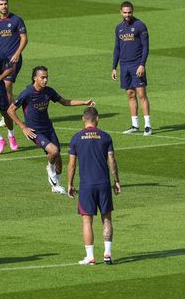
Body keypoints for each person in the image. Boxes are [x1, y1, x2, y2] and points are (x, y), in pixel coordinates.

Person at [7, 66, 95, 194]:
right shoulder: (27, 93)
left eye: (46, 77)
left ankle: (55, 185)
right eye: (42, 77)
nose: (45, 80)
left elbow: (64, 102)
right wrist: (23, 127)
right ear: (35, 78)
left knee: (58, 159)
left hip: (48, 128)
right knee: (53, 152)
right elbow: (10, 110)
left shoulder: (49, 91)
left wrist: (84, 102)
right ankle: (49, 167)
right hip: (35, 131)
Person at [67, 107, 121, 265]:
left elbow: (71, 164)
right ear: (97, 118)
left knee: (87, 221)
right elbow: (111, 160)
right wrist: (116, 180)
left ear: (83, 119)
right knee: (107, 219)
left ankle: (90, 257)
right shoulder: (105, 137)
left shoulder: (76, 138)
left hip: (86, 185)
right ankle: (108, 253)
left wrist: (69, 184)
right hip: (103, 183)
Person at [111, 1, 152, 135]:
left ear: (132, 11)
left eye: (129, 12)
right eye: (125, 12)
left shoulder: (140, 26)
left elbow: (146, 46)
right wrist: (114, 67)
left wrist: (142, 64)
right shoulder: (119, 28)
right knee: (130, 94)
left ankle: (147, 126)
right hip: (124, 65)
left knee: (141, 94)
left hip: (136, 64)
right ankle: (135, 125)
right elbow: (117, 48)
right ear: (121, 12)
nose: (127, 15)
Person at [0, 0, 28, 127]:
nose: (4, 6)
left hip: (14, 59)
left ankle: (8, 114)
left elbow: (24, 38)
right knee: (4, 89)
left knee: (7, 85)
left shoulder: (17, 20)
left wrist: (18, 53)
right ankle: (8, 114)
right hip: (1, 60)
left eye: (5, 4)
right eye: (1, 4)